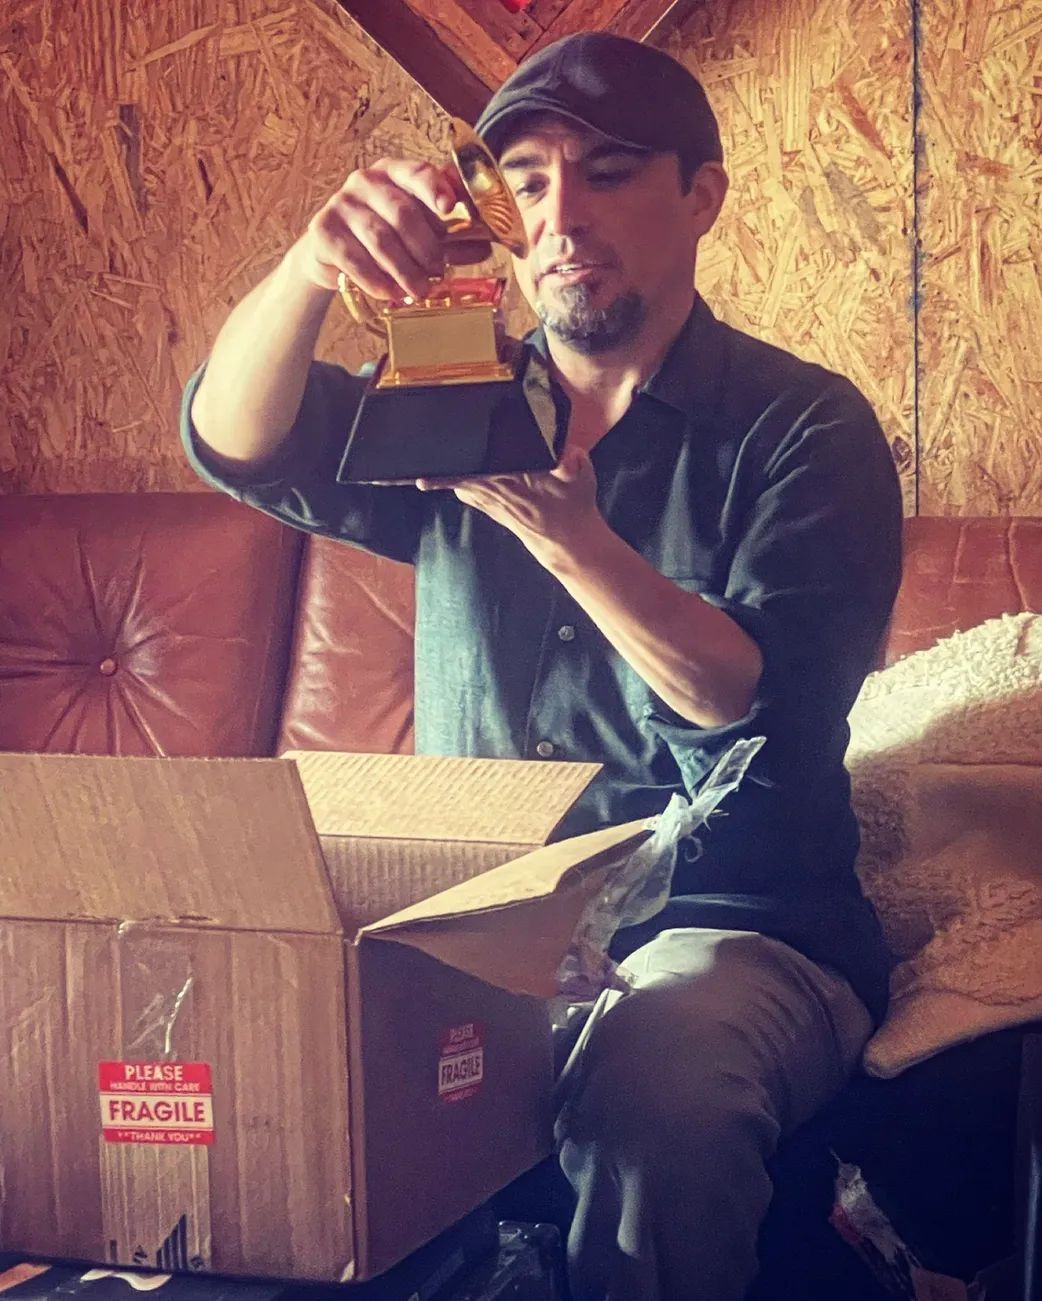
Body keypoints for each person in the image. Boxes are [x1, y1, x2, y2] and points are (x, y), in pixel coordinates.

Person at [181, 31, 902, 1301]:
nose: (561, 217)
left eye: (608, 173)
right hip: (485, 920)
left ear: (701, 196)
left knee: (656, 1090)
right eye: (527, 181)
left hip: (734, 925)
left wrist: (572, 539)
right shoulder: (452, 395)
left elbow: (746, 700)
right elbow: (240, 440)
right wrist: (307, 267)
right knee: (250, 1058)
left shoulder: (805, 424)